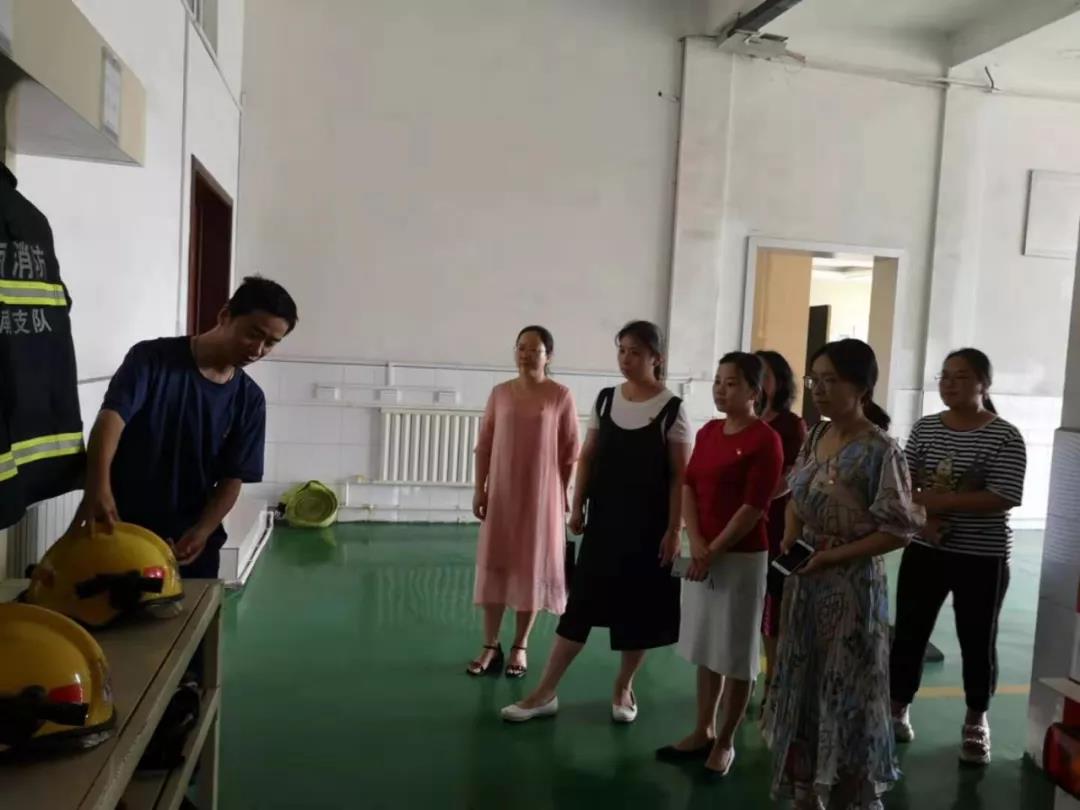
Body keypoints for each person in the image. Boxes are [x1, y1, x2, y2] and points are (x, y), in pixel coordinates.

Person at [501, 321, 691, 723]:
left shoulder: (672, 409)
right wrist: (577, 505)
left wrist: (674, 530)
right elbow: (587, 456)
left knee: (638, 613)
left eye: (635, 352)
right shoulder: (606, 400)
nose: (626, 359)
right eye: (622, 351)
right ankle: (544, 692)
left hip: (650, 529)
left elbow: (679, 477)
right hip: (605, 524)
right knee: (579, 608)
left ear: (656, 358)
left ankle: (624, 686)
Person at [764, 339, 921, 810]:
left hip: (851, 587)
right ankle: (807, 787)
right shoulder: (816, 435)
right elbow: (797, 493)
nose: (818, 389)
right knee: (805, 681)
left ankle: (845, 793)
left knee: (846, 688)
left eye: (831, 380)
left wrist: (834, 556)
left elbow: (898, 531)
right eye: (814, 379)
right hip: (807, 581)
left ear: (862, 388)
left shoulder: (880, 450)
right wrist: (792, 530)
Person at [68, 276, 298, 578]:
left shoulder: (250, 399)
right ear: (225, 315)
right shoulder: (151, 359)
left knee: (193, 608)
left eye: (270, 343)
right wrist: (98, 487)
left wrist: (202, 531)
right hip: (120, 527)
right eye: (253, 334)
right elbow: (111, 418)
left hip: (188, 543)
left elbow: (233, 478)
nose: (257, 350)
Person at [890, 348, 1026, 766]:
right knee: (909, 633)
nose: (949, 384)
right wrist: (925, 524)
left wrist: (938, 501)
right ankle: (896, 708)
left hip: (981, 557)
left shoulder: (1004, 436)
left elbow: (1003, 495)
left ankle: (976, 720)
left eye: (961, 377)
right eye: (945, 376)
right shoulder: (926, 428)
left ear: (984, 384)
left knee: (977, 639)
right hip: (925, 549)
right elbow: (903, 485)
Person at [657, 352, 782, 777]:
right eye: (717, 381)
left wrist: (713, 550)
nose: (721, 390)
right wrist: (696, 540)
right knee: (707, 646)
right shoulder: (709, 431)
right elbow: (689, 485)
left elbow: (753, 507)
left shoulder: (765, 440)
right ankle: (703, 729)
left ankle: (726, 741)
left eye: (731, 383)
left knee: (737, 652)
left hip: (741, 558)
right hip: (703, 553)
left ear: (754, 391)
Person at [468, 326, 580, 680]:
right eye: (521, 347)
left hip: (541, 496)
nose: (526, 354)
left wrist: (561, 493)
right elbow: (485, 444)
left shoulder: (560, 395)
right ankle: (490, 645)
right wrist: (480, 489)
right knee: (496, 564)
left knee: (532, 566)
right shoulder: (500, 393)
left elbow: (570, 450)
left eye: (535, 349)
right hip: (502, 494)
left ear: (549, 355)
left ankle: (520, 645)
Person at [756, 350, 807, 711]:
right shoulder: (741, 420)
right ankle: (742, 677)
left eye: (765, 376)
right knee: (746, 604)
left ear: (780, 383)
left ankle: (774, 681)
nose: (758, 383)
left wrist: (753, 504)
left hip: (776, 524)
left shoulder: (791, 425)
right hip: (741, 527)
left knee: (774, 607)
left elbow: (790, 476)